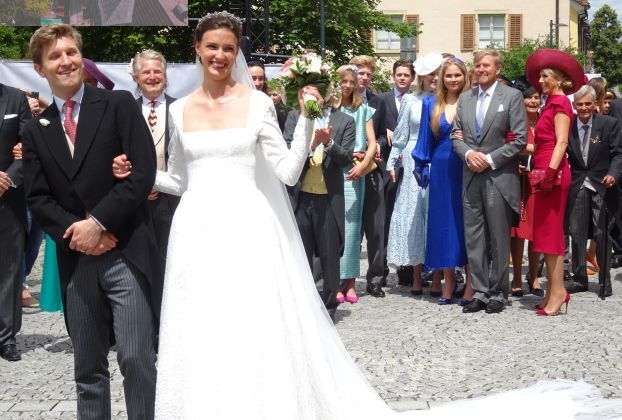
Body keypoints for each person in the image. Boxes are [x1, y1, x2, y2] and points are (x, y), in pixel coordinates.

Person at [22, 23, 160, 419]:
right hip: (76, 260)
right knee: (88, 370)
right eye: (55, 56)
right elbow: (38, 197)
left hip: (126, 252)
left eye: (70, 52)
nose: (65, 61)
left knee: (137, 359)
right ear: (39, 68)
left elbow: (142, 173)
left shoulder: (118, 106)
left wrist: (98, 222)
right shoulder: (35, 129)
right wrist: (79, 234)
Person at [451, 50, 527, 314]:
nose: (480, 69)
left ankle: (498, 292)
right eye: (478, 65)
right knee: (474, 237)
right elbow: (455, 137)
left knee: (498, 237)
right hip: (471, 175)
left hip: (498, 176)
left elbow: (519, 139)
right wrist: (470, 154)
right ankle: (481, 292)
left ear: (497, 70)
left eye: (486, 66)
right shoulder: (465, 98)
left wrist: (490, 159)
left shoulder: (512, 96)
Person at [524, 48, 584, 316]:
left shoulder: (561, 103)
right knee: (545, 235)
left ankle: (558, 292)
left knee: (551, 234)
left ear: (559, 79)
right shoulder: (549, 103)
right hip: (543, 169)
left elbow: (561, 142)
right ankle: (553, 290)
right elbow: (539, 144)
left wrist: (549, 172)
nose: (541, 80)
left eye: (546, 76)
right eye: (540, 76)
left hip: (554, 173)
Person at [412, 57, 470, 305]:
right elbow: (425, 139)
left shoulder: (472, 101)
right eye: (449, 75)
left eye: (458, 75)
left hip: (467, 167)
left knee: (467, 224)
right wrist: (420, 165)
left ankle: (472, 283)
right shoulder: (430, 103)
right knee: (444, 225)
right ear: (442, 79)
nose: (453, 79)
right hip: (441, 169)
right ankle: (448, 284)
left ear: (464, 77)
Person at [387, 53, 440, 295]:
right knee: (414, 217)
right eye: (431, 74)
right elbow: (400, 136)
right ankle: (417, 277)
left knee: (436, 216)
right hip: (412, 160)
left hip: (439, 158)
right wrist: (391, 163)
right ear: (421, 76)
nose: (435, 78)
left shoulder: (447, 101)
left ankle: (439, 277)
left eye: (438, 73)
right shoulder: (410, 100)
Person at [564, 85, 622, 298]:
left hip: (602, 183)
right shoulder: (568, 126)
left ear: (595, 104)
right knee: (577, 233)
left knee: (601, 233)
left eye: (588, 103)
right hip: (578, 182)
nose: (584, 108)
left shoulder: (609, 124)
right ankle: (579, 278)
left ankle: (604, 281)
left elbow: (618, 154)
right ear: (574, 106)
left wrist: (614, 174)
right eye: (580, 104)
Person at [130, 50, 179, 280]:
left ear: (165, 76)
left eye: (157, 71)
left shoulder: (181, 109)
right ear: (136, 77)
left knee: (170, 263)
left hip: (172, 203)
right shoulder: (125, 110)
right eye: (146, 72)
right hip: (135, 203)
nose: (152, 76)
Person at [369, 59, 417, 292]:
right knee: (386, 218)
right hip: (387, 167)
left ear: (412, 78)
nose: (402, 78)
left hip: (409, 167)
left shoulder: (418, 101)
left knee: (408, 217)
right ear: (393, 76)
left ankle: (408, 269)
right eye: (398, 74)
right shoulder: (381, 100)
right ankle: (383, 270)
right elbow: (374, 132)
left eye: (406, 75)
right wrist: (383, 136)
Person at [331, 65, 377, 303]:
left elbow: (371, 143)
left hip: (356, 172)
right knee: (336, 228)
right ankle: (335, 280)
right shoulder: (330, 108)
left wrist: (363, 165)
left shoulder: (364, 110)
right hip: (334, 170)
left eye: (351, 81)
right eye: (344, 82)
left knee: (352, 229)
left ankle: (349, 282)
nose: (347, 85)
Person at [0, 83, 31, 362]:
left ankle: (6, 338)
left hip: (8, 199)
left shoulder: (15, 98)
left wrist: (7, 178)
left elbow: (30, 146)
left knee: (9, 268)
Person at [509, 76, 543, 297]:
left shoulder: (544, 121)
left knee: (537, 232)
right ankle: (518, 278)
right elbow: (509, 146)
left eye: (537, 97)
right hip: (518, 181)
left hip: (540, 183)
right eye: (529, 98)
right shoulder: (514, 122)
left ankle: (534, 276)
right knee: (518, 231)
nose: (533, 101)